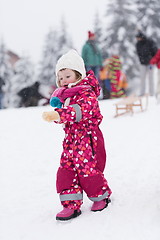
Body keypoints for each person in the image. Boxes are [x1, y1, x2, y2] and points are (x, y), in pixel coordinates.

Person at [42, 49, 112, 221]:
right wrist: (58, 116)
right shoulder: (66, 95)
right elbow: (66, 116)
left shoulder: (87, 93)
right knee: (67, 169)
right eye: (61, 78)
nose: (64, 81)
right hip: (71, 140)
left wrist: (60, 114)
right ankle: (70, 204)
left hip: (87, 138)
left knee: (87, 169)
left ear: (78, 74)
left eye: (67, 76)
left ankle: (100, 196)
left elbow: (80, 111)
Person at [135, 31, 158, 96]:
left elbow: (155, 51)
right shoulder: (138, 44)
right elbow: (138, 53)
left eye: (138, 38)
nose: (137, 39)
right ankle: (142, 92)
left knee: (151, 78)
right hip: (142, 63)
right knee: (142, 78)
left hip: (150, 63)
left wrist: (152, 60)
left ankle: (152, 93)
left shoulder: (150, 42)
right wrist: (141, 60)